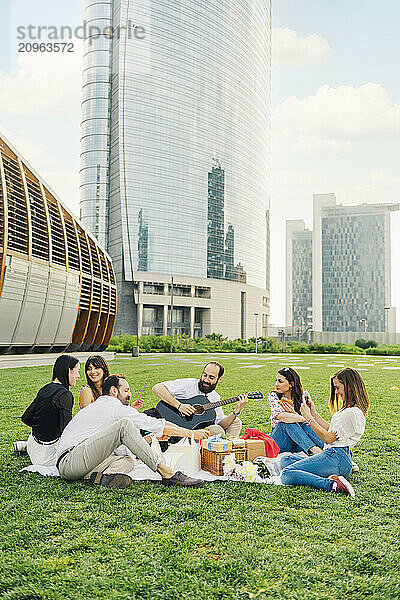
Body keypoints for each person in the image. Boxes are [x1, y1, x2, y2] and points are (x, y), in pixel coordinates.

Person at [56, 374, 210, 488]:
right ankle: (168, 474)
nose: (130, 394)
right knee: (125, 425)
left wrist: (150, 439)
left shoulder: (103, 407)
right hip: (70, 461)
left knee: (127, 459)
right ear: (114, 391)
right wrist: (192, 433)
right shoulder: (112, 406)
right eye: (127, 390)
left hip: (81, 461)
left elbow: (124, 448)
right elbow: (155, 424)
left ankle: (102, 477)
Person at [279, 368, 369, 497]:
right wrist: (313, 413)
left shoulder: (351, 413)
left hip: (336, 457)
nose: (337, 392)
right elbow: (330, 428)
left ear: (349, 386)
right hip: (337, 457)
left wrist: (308, 418)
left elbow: (328, 438)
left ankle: (333, 485)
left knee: (287, 474)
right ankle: (322, 472)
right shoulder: (350, 410)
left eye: (338, 388)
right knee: (286, 460)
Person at [152, 362, 248, 437]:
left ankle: (227, 453)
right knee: (216, 430)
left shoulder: (215, 397)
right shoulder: (188, 385)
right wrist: (179, 405)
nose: (206, 380)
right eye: (204, 375)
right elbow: (157, 388)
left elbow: (220, 424)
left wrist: (236, 411)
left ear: (219, 379)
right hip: (179, 428)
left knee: (235, 421)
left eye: (211, 377)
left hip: (199, 428)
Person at [20, 355, 80, 467]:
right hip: (48, 457)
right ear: (68, 370)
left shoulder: (45, 388)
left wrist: (43, 428)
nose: (78, 376)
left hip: (34, 450)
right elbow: (66, 432)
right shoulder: (65, 395)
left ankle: (25, 445)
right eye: (77, 371)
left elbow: (26, 418)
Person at [267, 367, 324, 455]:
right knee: (286, 422)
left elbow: (311, 418)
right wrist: (306, 418)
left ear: (291, 384)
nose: (276, 384)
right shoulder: (273, 396)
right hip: (281, 441)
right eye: (276, 381)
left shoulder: (304, 396)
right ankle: (315, 450)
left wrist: (300, 416)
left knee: (305, 425)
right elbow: (281, 416)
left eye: (280, 381)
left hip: (300, 442)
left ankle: (332, 449)